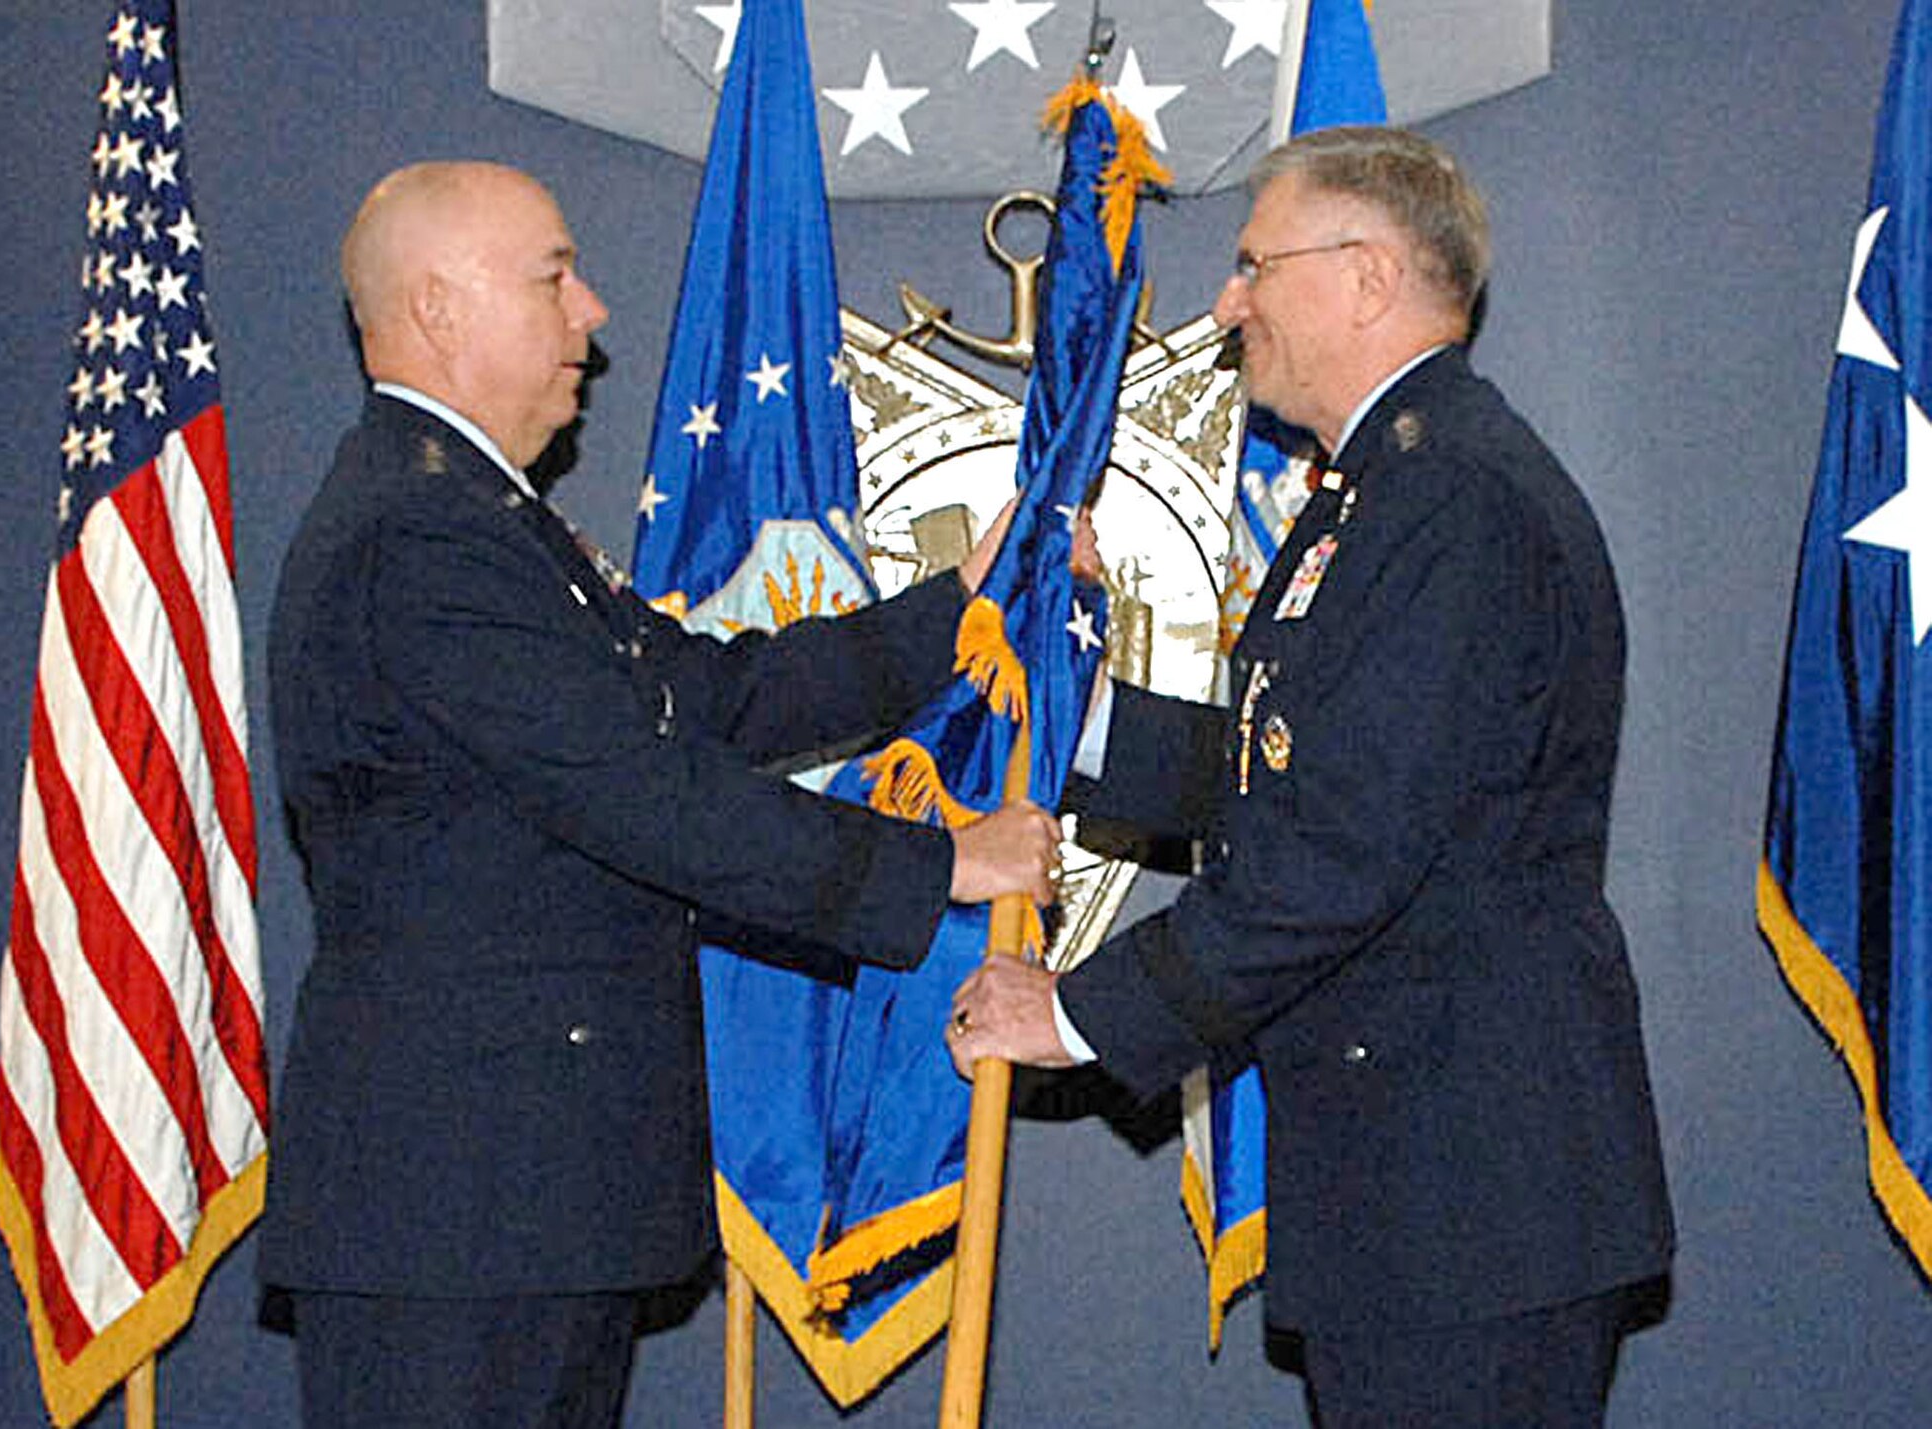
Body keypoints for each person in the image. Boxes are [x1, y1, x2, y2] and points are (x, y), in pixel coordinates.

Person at [260, 159, 1063, 1429]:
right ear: (437, 308)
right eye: (552, 276)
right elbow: (637, 790)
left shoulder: (476, 517)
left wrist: (947, 616)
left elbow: (698, 695)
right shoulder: (420, 535)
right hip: (458, 1209)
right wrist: (941, 864)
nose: (593, 311)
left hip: (522, 1197)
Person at [948, 126, 1674, 1427]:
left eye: (1251, 266)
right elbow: (1288, 765)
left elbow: (1346, 849)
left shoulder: (1450, 499)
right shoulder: (1387, 490)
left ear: (1364, 275)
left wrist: (1073, 1015)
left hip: (1469, 1191)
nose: (1229, 304)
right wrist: (1084, 709)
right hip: (1427, 1185)